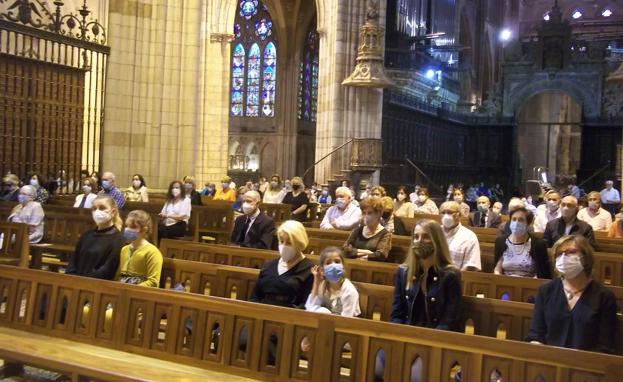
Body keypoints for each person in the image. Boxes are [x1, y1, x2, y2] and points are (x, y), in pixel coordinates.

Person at [527, 235, 617, 353]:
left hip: (585, 366)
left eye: (571, 252)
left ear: (585, 257)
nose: (564, 257)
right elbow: (536, 335)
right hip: (549, 363)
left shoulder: (604, 296)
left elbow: (605, 346)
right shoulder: (546, 291)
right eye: (559, 254)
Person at [391, 219, 462, 330]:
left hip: (436, 337)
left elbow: (449, 319)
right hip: (407, 333)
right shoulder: (403, 272)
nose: (419, 241)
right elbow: (397, 314)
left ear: (437, 241)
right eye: (416, 237)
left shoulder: (450, 275)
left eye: (426, 237)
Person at [250, 220, 314, 308]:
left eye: (289, 243)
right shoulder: (269, 265)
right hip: (262, 313)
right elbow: (255, 296)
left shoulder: (309, 269)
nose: (283, 246)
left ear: (299, 244)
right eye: (281, 241)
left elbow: (305, 304)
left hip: (289, 316)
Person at [66, 196, 124, 279]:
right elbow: (73, 261)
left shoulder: (118, 239)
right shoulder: (86, 235)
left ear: (113, 211)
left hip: (96, 285)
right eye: (94, 208)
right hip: (76, 282)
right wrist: (71, 277)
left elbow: (107, 269)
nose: (97, 212)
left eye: (102, 208)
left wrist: (85, 281)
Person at [494, 207, 552, 278]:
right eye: (514, 219)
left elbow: (542, 272)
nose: (516, 223)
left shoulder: (538, 244)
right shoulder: (501, 241)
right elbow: (497, 268)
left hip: (529, 284)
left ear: (528, 224)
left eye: (521, 220)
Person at [305, 246, 361, 317]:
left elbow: (347, 319)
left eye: (337, 262)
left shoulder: (349, 290)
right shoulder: (323, 285)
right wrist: (316, 281)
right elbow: (309, 308)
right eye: (328, 263)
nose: (333, 265)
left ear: (343, 267)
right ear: (322, 270)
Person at [116, 210, 163, 287]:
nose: (128, 229)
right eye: (127, 226)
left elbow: (153, 282)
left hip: (140, 293)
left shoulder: (153, 252)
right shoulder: (124, 249)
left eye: (133, 227)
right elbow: (119, 276)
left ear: (144, 230)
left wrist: (132, 290)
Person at [343, 197, 392, 262]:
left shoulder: (385, 234)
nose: (366, 216)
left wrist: (359, 255)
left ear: (378, 214)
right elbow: (345, 249)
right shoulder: (357, 230)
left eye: (369, 213)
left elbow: (381, 255)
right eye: (364, 213)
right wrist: (367, 252)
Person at [439, 201, 481, 271]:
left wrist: (453, 277)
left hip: (455, 278)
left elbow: (471, 265)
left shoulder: (469, 236)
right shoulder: (434, 231)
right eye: (443, 213)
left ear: (459, 214)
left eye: (450, 212)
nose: (446, 216)